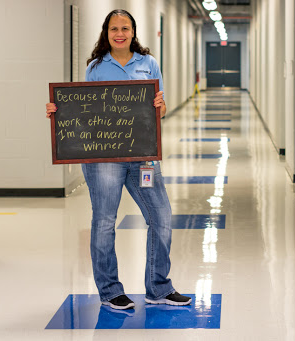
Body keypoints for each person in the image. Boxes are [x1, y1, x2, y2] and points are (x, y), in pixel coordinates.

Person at [46, 9, 191, 310]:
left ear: (134, 32)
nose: (120, 33)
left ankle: (159, 288)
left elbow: (159, 111)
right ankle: (110, 291)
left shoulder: (148, 63)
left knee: (161, 218)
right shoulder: (96, 67)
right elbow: (84, 110)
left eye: (125, 28)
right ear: (106, 32)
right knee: (104, 222)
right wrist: (59, 112)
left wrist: (159, 106)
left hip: (143, 156)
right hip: (105, 159)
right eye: (114, 28)